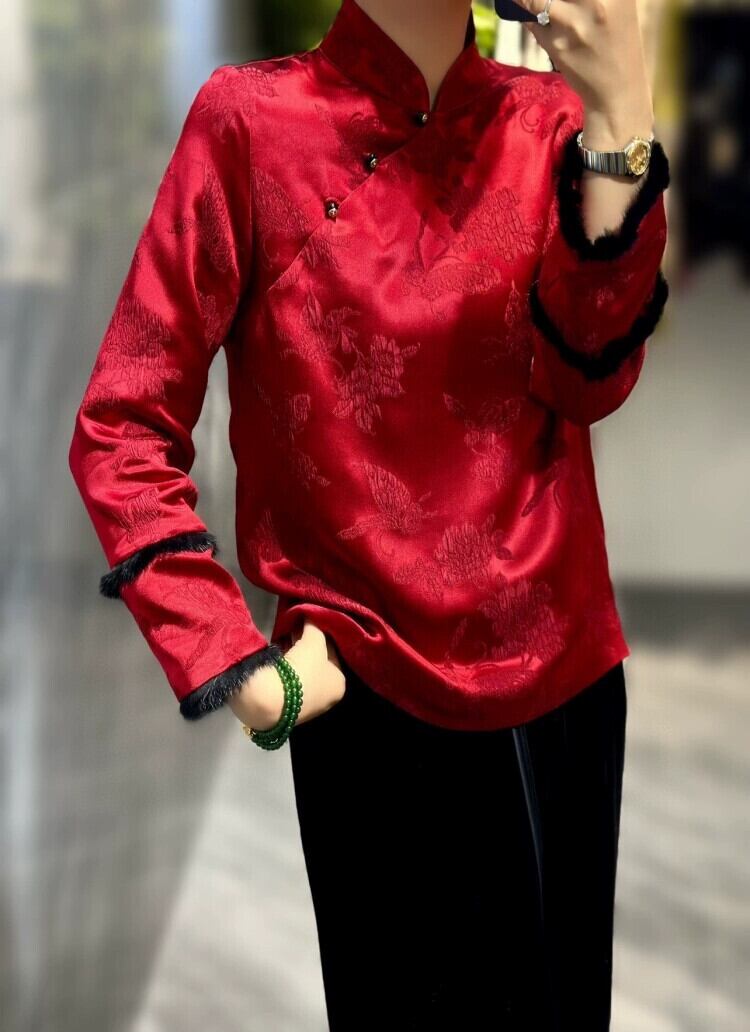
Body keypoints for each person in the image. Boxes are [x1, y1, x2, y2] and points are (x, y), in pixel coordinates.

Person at [68, 0, 670, 1027]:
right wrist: (236, 667)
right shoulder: (251, 123)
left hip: (562, 676)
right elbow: (123, 421)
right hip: (369, 690)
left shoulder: (546, 122)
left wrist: (619, 122)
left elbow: (588, 382)